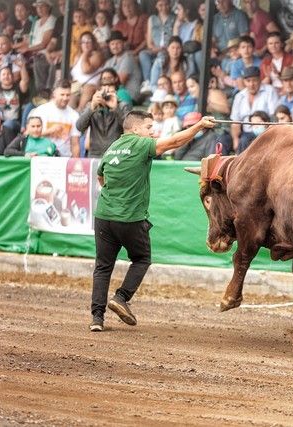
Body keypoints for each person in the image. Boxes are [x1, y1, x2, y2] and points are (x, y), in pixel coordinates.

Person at [89, 111, 216, 332]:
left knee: (103, 267)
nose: (152, 132)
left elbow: (101, 177)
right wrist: (199, 126)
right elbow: (174, 142)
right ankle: (121, 297)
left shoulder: (112, 148)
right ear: (136, 129)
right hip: (130, 217)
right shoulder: (140, 144)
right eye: (149, 127)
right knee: (141, 259)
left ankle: (97, 319)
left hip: (103, 216)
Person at [76, 74, 129, 158]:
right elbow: (79, 127)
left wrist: (116, 109)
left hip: (116, 154)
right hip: (95, 154)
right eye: (104, 93)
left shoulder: (122, 106)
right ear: (97, 92)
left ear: (116, 93)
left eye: (110, 93)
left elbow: (129, 128)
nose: (106, 96)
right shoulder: (92, 106)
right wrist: (91, 108)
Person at [229, 66, 279, 153]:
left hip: (264, 132)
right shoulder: (239, 96)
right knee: (222, 139)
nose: (251, 84)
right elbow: (235, 122)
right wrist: (235, 139)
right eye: (248, 81)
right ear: (244, 82)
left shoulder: (269, 91)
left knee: (244, 140)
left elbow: (274, 117)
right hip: (244, 133)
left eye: (254, 80)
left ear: (260, 80)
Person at [29, 79, 80, 157]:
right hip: (43, 156)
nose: (65, 98)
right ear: (54, 94)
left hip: (65, 158)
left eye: (68, 95)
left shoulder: (74, 115)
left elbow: (75, 144)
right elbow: (29, 135)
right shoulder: (41, 110)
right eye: (62, 95)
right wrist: (50, 131)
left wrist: (75, 163)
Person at [138, 0, 175, 89]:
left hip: (168, 49)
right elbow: (149, 42)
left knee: (161, 57)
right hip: (155, 49)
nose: (164, 7)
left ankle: (153, 86)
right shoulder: (152, 19)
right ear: (156, 6)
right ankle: (147, 82)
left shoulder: (174, 18)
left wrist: (166, 48)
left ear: (169, 5)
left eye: (166, 5)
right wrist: (154, 48)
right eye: (160, 5)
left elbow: (175, 38)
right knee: (143, 54)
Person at [70, 31, 105, 111]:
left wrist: (85, 53)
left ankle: (80, 111)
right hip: (77, 86)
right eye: (83, 42)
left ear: (93, 43)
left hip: (91, 86)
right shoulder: (77, 56)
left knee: (88, 88)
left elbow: (86, 70)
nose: (86, 44)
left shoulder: (97, 55)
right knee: (69, 100)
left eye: (88, 41)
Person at [103, 30, 142, 103]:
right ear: (109, 46)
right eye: (112, 44)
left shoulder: (128, 58)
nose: (115, 46)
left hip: (129, 95)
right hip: (114, 93)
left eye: (118, 43)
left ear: (123, 44)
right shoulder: (109, 61)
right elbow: (102, 80)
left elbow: (120, 82)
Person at [0, 58, 29, 135]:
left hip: (15, 122)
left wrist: (22, 67)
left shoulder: (18, 87)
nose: (6, 76)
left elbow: (25, 81)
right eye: (3, 74)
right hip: (0, 122)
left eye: (8, 74)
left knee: (7, 125)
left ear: (12, 77)